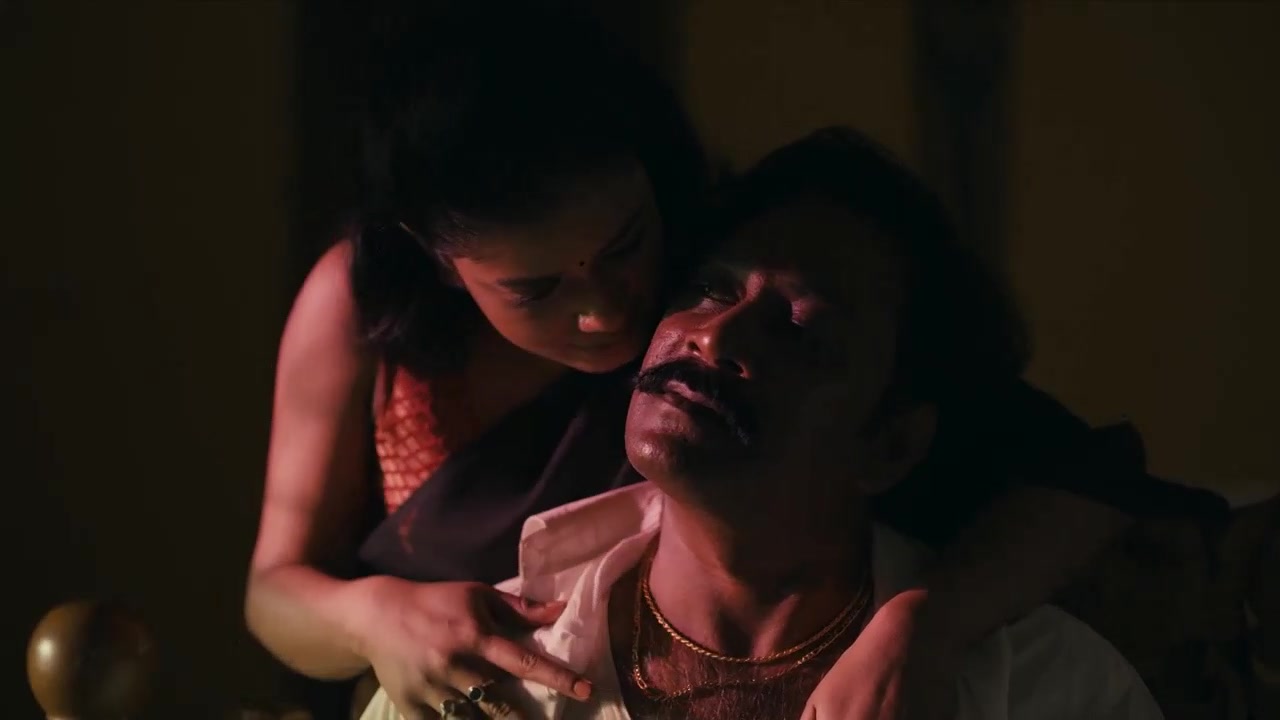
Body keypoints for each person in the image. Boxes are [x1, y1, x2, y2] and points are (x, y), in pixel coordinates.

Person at [246, 4, 1173, 719]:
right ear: (440, 259)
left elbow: (1078, 473)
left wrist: (923, 626)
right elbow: (274, 585)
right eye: (534, 289)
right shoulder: (365, 309)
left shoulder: (721, 287)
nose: (605, 310)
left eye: (624, 246)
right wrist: (374, 617)